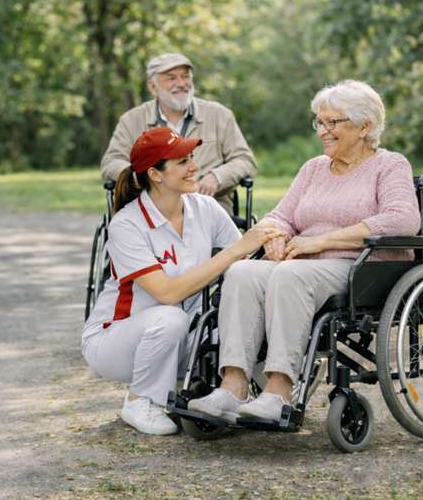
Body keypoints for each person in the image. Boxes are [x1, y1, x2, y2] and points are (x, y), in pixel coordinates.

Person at [190, 79, 421, 423]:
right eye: (320, 122)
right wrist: (275, 236)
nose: (323, 131)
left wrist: (322, 241)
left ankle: (279, 391)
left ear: (364, 127)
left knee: (289, 274)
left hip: (360, 268)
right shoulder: (313, 168)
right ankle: (232, 385)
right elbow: (280, 215)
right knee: (241, 271)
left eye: (333, 122)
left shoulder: (389, 165)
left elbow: (403, 219)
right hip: (303, 263)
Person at [82, 127, 281, 435]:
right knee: (169, 317)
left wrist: (275, 243)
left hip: (183, 332)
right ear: (155, 174)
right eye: (182, 161)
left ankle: (270, 392)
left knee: (238, 318)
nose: (194, 167)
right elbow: (168, 292)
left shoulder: (206, 208)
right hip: (115, 340)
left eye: (192, 157)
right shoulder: (127, 225)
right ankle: (139, 401)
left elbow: (243, 264)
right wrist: (238, 248)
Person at [100, 53, 257, 216]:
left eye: (185, 76)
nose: (181, 83)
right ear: (153, 87)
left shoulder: (219, 115)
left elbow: (245, 161)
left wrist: (217, 177)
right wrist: (141, 179)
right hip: (149, 210)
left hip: (209, 209)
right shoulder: (131, 120)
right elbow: (111, 161)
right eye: (171, 78)